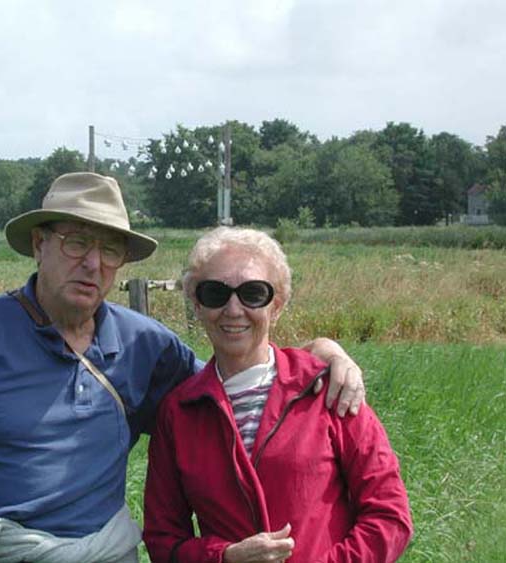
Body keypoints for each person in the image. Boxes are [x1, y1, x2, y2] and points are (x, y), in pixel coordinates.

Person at [0, 173, 366, 563]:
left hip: (103, 552)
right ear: (39, 244)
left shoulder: (146, 345)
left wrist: (322, 351)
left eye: (110, 250)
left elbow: (237, 378)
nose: (93, 263)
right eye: (76, 242)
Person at [143, 226, 412, 563]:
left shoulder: (328, 388)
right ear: (196, 305)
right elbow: (163, 540)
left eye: (253, 293)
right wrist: (223, 557)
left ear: (278, 305)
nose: (233, 308)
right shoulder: (179, 412)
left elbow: (390, 515)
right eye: (215, 293)